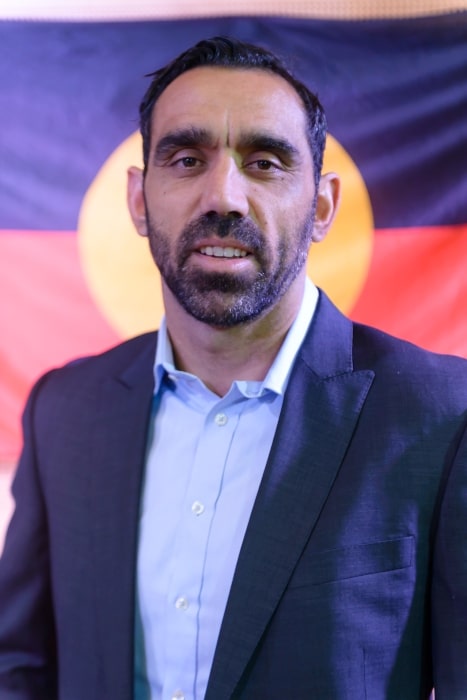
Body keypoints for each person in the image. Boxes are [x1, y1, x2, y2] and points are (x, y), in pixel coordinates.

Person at [0, 36, 466, 700]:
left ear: (323, 206)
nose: (223, 196)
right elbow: (20, 665)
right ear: (138, 199)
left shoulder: (441, 415)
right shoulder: (65, 410)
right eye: (187, 158)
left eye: (266, 162)